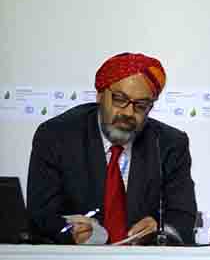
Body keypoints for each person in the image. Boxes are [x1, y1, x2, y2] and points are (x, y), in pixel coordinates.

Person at [26, 52, 197, 245]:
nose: (128, 112)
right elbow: (41, 214)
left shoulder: (169, 144)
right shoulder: (56, 136)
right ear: (100, 95)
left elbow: (183, 216)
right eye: (119, 99)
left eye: (141, 105)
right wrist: (68, 231)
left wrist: (160, 229)